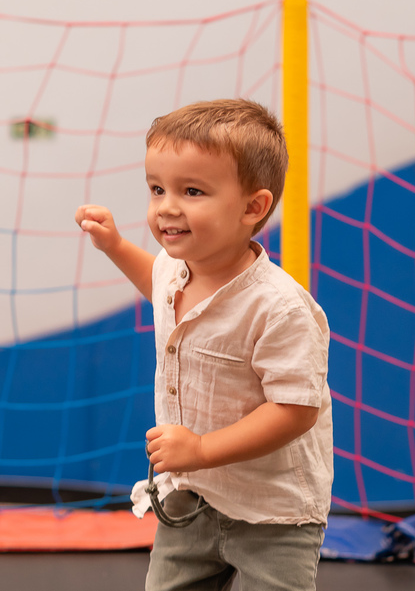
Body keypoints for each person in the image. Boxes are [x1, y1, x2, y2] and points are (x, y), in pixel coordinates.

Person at [75, 98, 333, 591]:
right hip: (192, 497)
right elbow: (156, 280)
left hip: (273, 513)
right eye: (157, 189)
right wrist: (114, 246)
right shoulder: (176, 269)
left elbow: (295, 409)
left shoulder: (279, 309)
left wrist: (200, 447)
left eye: (192, 191)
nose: (167, 206)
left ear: (253, 207)